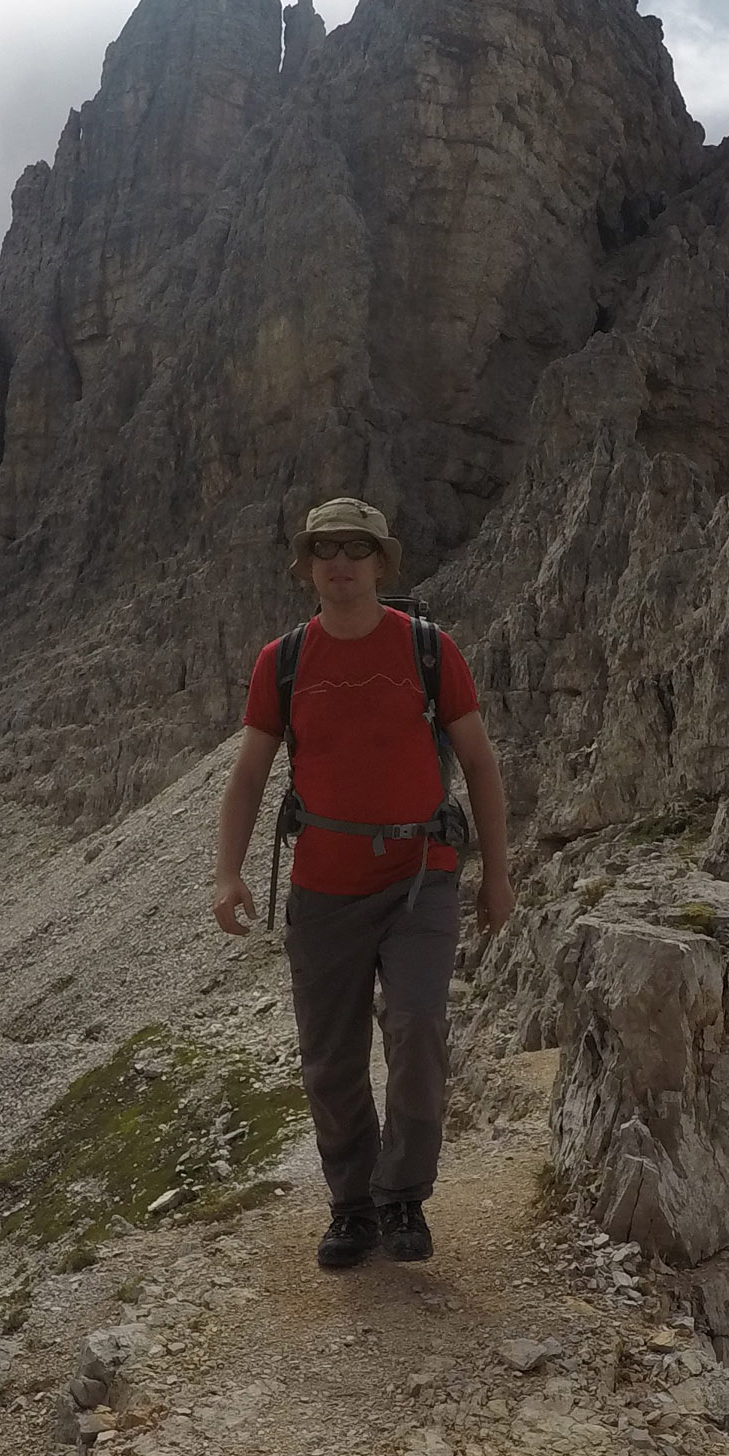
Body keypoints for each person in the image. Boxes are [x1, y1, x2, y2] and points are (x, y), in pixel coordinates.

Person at [212, 497, 515, 1269]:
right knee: (331, 1056)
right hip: (323, 888)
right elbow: (248, 774)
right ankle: (351, 1206)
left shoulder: (429, 649)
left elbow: (478, 761)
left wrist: (498, 875)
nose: (339, 561)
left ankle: (403, 1196)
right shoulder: (281, 661)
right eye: (324, 549)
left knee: (416, 1027)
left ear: (382, 562)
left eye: (356, 547)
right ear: (306, 567)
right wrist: (226, 871)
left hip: (421, 879)